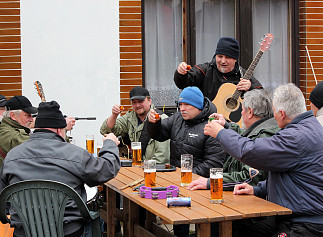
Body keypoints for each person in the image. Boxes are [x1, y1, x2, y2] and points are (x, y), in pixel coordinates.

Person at [204, 83, 323, 237]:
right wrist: (258, 189)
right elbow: (294, 175)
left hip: (306, 224)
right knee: (239, 228)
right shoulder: (310, 128)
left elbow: (251, 151)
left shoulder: (295, 138)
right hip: (297, 215)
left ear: (281, 113)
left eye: (273, 111)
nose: (272, 116)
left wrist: (220, 133)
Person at [0, 101, 121, 237]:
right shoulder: (74, 154)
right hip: (68, 232)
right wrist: (110, 144)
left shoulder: (12, 156)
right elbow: (106, 170)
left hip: (24, 232)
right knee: (96, 220)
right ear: (59, 130)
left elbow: (3, 203)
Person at [147, 86, 226, 237]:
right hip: (179, 183)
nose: (182, 108)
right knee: (179, 224)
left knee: (205, 227)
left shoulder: (212, 124)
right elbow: (159, 134)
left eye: (187, 105)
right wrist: (153, 123)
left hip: (203, 187)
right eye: (180, 104)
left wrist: (187, 179)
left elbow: (214, 163)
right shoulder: (177, 118)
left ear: (198, 106)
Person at [188, 89, 280, 191]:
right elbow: (246, 137)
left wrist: (212, 182)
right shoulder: (265, 128)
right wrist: (225, 125)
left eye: (243, 109)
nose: (241, 112)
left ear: (250, 112)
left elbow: (249, 177)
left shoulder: (265, 136)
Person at [174, 37, 263, 101]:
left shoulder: (243, 75)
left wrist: (250, 88)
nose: (223, 61)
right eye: (220, 56)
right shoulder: (205, 70)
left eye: (227, 57)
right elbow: (183, 84)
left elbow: (262, 98)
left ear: (235, 59)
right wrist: (181, 73)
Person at [0, 95, 37, 210]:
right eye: (27, 115)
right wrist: (58, 131)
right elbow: (39, 150)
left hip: (13, 197)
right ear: (13, 116)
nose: (31, 119)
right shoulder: (10, 135)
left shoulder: (3, 129)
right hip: (11, 203)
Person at [100, 86, 170, 164]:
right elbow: (106, 131)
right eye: (134, 102)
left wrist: (143, 168)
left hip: (154, 170)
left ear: (149, 101)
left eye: (140, 101)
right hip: (137, 167)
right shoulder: (130, 117)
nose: (137, 105)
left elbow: (162, 158)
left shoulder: (160, 119)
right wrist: (114, 115)